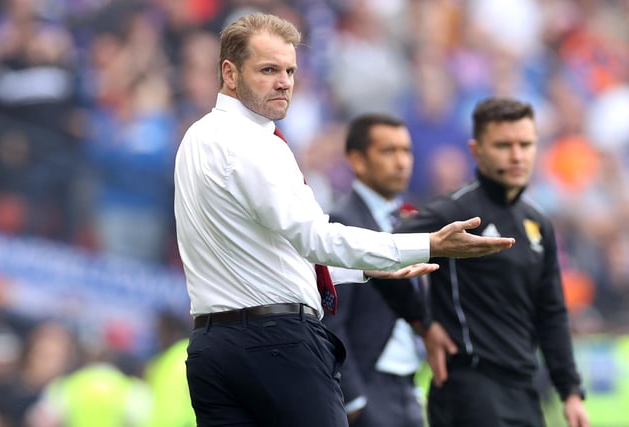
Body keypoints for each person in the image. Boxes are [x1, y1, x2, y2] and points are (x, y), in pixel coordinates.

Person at [173, 13, 515, 427]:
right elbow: (313, 239)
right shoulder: (254, 143)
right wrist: (429, 243)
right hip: (277, 344)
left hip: (212, 348)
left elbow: (269, 257)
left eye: (289, 70)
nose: (284, 81)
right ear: (229, 72)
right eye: (268, 70)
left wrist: (370, 268)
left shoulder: (196, 138)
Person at [395, 97, 589, 427]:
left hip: (525, 388)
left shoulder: (537, 222)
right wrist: (423, 323)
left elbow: (551, 311)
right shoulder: (453, 212)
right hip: (470, 388)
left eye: (525, 144)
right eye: (503, 145)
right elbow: (386, 251)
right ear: (476, 150)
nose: (517, 155)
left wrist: (570, 390)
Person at [322, 113, 426, 427]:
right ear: (357, 160)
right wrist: (352, 397)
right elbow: (332, 320)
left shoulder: (411, 221)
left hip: (408, 383)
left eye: (406, 151)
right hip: (369, 384)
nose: (401, 162)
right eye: (388, 151)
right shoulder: (342, 223)